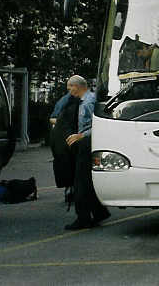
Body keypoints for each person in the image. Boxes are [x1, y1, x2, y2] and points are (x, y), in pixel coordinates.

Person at [64, 75, 110, 230]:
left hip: (86, 143)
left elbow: (98, 124)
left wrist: (81, 135)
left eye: (70, 87)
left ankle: (83, 217)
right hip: (86, 143)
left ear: (78, 86)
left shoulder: (88, 102)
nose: (70, 91)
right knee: (87, 180)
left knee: (81, 180)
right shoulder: (86, 100)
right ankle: (98, 212)